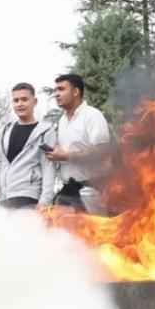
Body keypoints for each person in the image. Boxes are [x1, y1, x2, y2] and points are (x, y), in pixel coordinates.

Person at [45, 74, 113, 215]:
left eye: (61, 89)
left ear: (76, 92)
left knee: (94, 235)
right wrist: (57, 153)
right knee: (63, 235)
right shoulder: (62, 120)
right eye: (55, 90)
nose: (56, 94)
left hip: (91, 190)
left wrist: (67, 156)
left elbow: (102, 152)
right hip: (68, 190)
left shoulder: (93, 115)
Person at [0, 83, 57, 209]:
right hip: (4, 197)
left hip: (29, 198)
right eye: (16, 100)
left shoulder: (46, 131)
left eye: (24, 99)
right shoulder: (4, 131)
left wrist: (45, 201)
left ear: (34, 102)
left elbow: (48, 167)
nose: (20, 104)